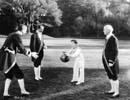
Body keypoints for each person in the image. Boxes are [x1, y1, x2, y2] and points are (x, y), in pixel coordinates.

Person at [0, 24, 38, 99]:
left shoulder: (13, 34)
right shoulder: (16, 35)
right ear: (23, 30)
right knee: (19, 74)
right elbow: (21, 47)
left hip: (6, 57)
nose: (26, 31)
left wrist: (30, 53)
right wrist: (30, 55)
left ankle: (5, 93)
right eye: (26, 29)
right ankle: (23, 91)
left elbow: (18, 49)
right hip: (8, 58)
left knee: (9, 76)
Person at [102, 25, 119, 98]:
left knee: (114, 75)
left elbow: (115, 51)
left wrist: (111, 61)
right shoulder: (107, 38)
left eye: (104, 30)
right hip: (106, 60)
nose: (103, 31)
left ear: (108, 30)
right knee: (109, 75)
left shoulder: (113, 38)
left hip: (111, 61)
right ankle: (112, 90)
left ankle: (117, 92)